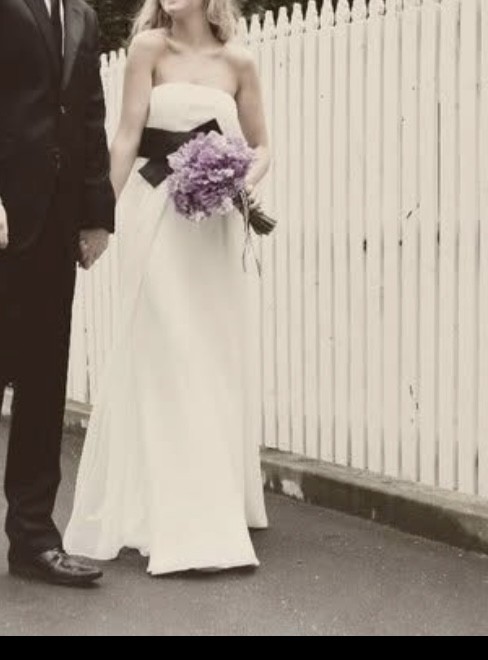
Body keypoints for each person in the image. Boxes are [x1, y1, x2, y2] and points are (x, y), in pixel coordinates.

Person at [65, 0, 270, 576]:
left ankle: (212, 502)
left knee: (208, 355)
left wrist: (233, 180)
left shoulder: (240, 62)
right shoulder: (148, 49)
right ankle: (173, 515)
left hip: (212, 226)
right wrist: (100, 218)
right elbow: (127, 139)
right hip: (155, 215)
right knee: (168, 352)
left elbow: (263, 146)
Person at [0, 0, 115, 586]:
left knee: (44, 383)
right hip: (3, 216)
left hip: (55, 223)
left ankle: (34, 540)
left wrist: (96, 215)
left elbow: (90, 114)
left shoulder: (84, 17)